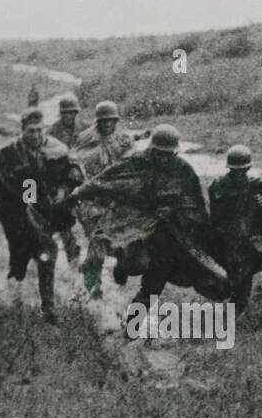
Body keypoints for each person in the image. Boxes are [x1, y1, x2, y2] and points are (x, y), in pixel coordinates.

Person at [70, 124, 228, 320]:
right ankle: (121, 262)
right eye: (160, 153)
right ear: (152, 148)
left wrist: (175, 211)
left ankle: (133, 324)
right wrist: (78, 193)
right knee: (132, 263)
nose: (163, 158)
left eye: (168, 153)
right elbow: (106, 180)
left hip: (167, 229)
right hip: (135, 222)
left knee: (157, 276)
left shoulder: (182, 169)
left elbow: (195, 203)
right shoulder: (135, 162)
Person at [0, 108, 84, 322]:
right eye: (30, 131)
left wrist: (64, 188)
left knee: (46, 253)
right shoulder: (9, 151)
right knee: (19, 257)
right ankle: (12, 289)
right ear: (22, 130)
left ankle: (48, 306)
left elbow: (75, 171)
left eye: (39, 130)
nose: (35, 135)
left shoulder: (57, 148)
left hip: (45, 208)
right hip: (15, 208)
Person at [206, 145, 262, 314]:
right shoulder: (217, 186)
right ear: (229, 168)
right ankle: (228, 308)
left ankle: (234, 312)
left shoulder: (256, 186)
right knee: (226, 279)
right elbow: (216, 217)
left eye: (242, 170)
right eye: (234, 170)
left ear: (248, 168)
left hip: (249, 240)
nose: (239, 174)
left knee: (244, 277)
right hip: (225, 239)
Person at [72, 101, 138, 296]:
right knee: (97, 248)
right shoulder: (85, 139)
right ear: (98, 122)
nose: (108, 124)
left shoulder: (125, 139)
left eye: (111, 120)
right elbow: (77, 164)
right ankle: (94, 287)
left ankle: (115, 268)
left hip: (118, 202)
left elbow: (131, 165)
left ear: (116, 120)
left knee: (123, 246)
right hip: (92, 202)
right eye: (104, 121)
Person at [48, 96, 84, 264]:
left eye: (72, 113)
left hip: (81, 176)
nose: (69, 116)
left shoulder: (84, 129)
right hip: (61, 178)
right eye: (65, 113)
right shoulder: (52, 132)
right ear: (61, 114)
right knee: (59, 213)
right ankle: (71, 251)